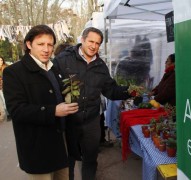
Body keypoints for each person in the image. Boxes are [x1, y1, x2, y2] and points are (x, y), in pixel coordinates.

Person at [53, 27, 133, 180]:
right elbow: (51, 87)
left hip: (91, 121)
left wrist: (130, 91)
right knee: (67, 161)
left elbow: (110, 90)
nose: (93, 46)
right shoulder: (63, 60)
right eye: (91, 41)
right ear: (82, 40)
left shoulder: (100, 66)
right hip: (68, 121)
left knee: (90, 159)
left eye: (97, 43)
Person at [2, 24, 79, 180]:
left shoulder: (53, 69)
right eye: (41, 44)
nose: (46, 49)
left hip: (60, 144)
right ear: (29, 45)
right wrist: (53, 111)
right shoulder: (14, 72)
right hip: (38, 147)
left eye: (50, 45)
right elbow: (16, 110)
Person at [0, 56, 8, 122]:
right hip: (0, 88)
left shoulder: (5, 68)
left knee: (5, 101)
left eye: (1, 60)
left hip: (4, 88)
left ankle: (8, 114)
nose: (0, 62)